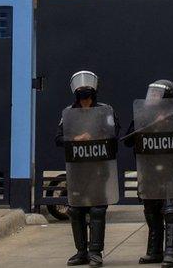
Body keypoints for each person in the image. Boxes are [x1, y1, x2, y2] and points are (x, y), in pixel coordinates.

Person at [123, 80, 173, 267]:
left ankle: (171, 253)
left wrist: (169, 123)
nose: (152, 97)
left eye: (157, 94)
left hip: (170, 171)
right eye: (151, 93)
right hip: (149, 171)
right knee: (151, 212)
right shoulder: (143, 116)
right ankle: (154, 251)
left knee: (170, 211)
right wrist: (149, 125)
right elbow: (128, 140)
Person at [55, 70, 120, 267]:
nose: (85, 101)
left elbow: (114, 134)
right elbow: (58, 138)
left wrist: (97, 136)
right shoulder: (68, 113)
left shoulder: (105, 111)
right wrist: (73, 138)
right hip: (78, 170)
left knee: (98, 209)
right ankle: (81, 251)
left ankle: (95, 252)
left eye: (88, 97)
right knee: (76, 210)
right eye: (82, 98)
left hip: (99, 168)